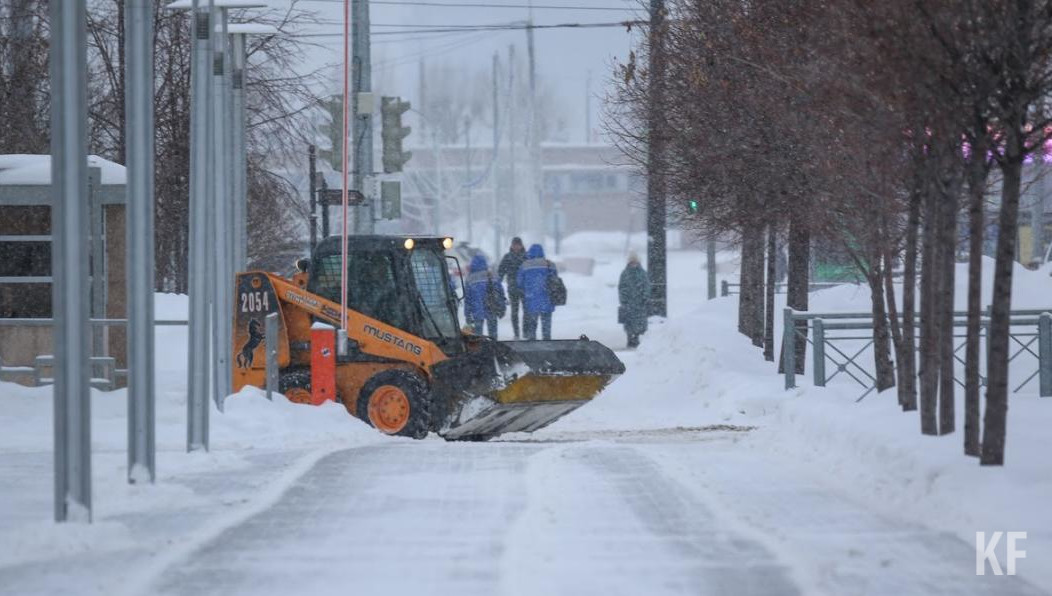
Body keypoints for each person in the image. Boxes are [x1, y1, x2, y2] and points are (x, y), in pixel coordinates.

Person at [517, 243, 556, 340]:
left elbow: (519, 282)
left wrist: (526, 289)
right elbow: (555, 281)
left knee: (532, 324)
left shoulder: (525, 265)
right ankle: (547, 342)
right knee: (546, 325)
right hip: (547, 298)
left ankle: (532, 343)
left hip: (531, 299)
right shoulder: (550, 264)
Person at [465, 254, 505, 339]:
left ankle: (479, 345)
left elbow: (468, 299)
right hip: (491, 306)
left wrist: (467, 314)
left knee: (477, 333)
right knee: (493, 330)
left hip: (477, 309)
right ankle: (493, 343)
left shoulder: (470, 278)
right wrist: (502, 307)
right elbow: (500, 293)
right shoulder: (493, 275)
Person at [497, 237, 527, 339]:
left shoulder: (526, 257)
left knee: (527, 311)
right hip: (513, 288)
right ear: (511, 246)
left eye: (518, 245)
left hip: (525, 288)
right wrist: (497, 283)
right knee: (514, 312)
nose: (516, 247)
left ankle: (525, 332)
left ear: (521, 245)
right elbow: (501, 271)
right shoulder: (507, 257)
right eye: (514, 245)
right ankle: (517, 333)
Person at [618, 252, 650, 348]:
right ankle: (631, 339)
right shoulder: (625, 274)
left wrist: (645, 297)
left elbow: (646, 286)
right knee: (630, 324)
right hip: (629, 304)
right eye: (632, 262)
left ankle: (636, 339)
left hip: (639, 304)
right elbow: (622, 288)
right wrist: (624, 300)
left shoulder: (642, 273)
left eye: (635, 262)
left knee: (638, 325)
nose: (633, 264)